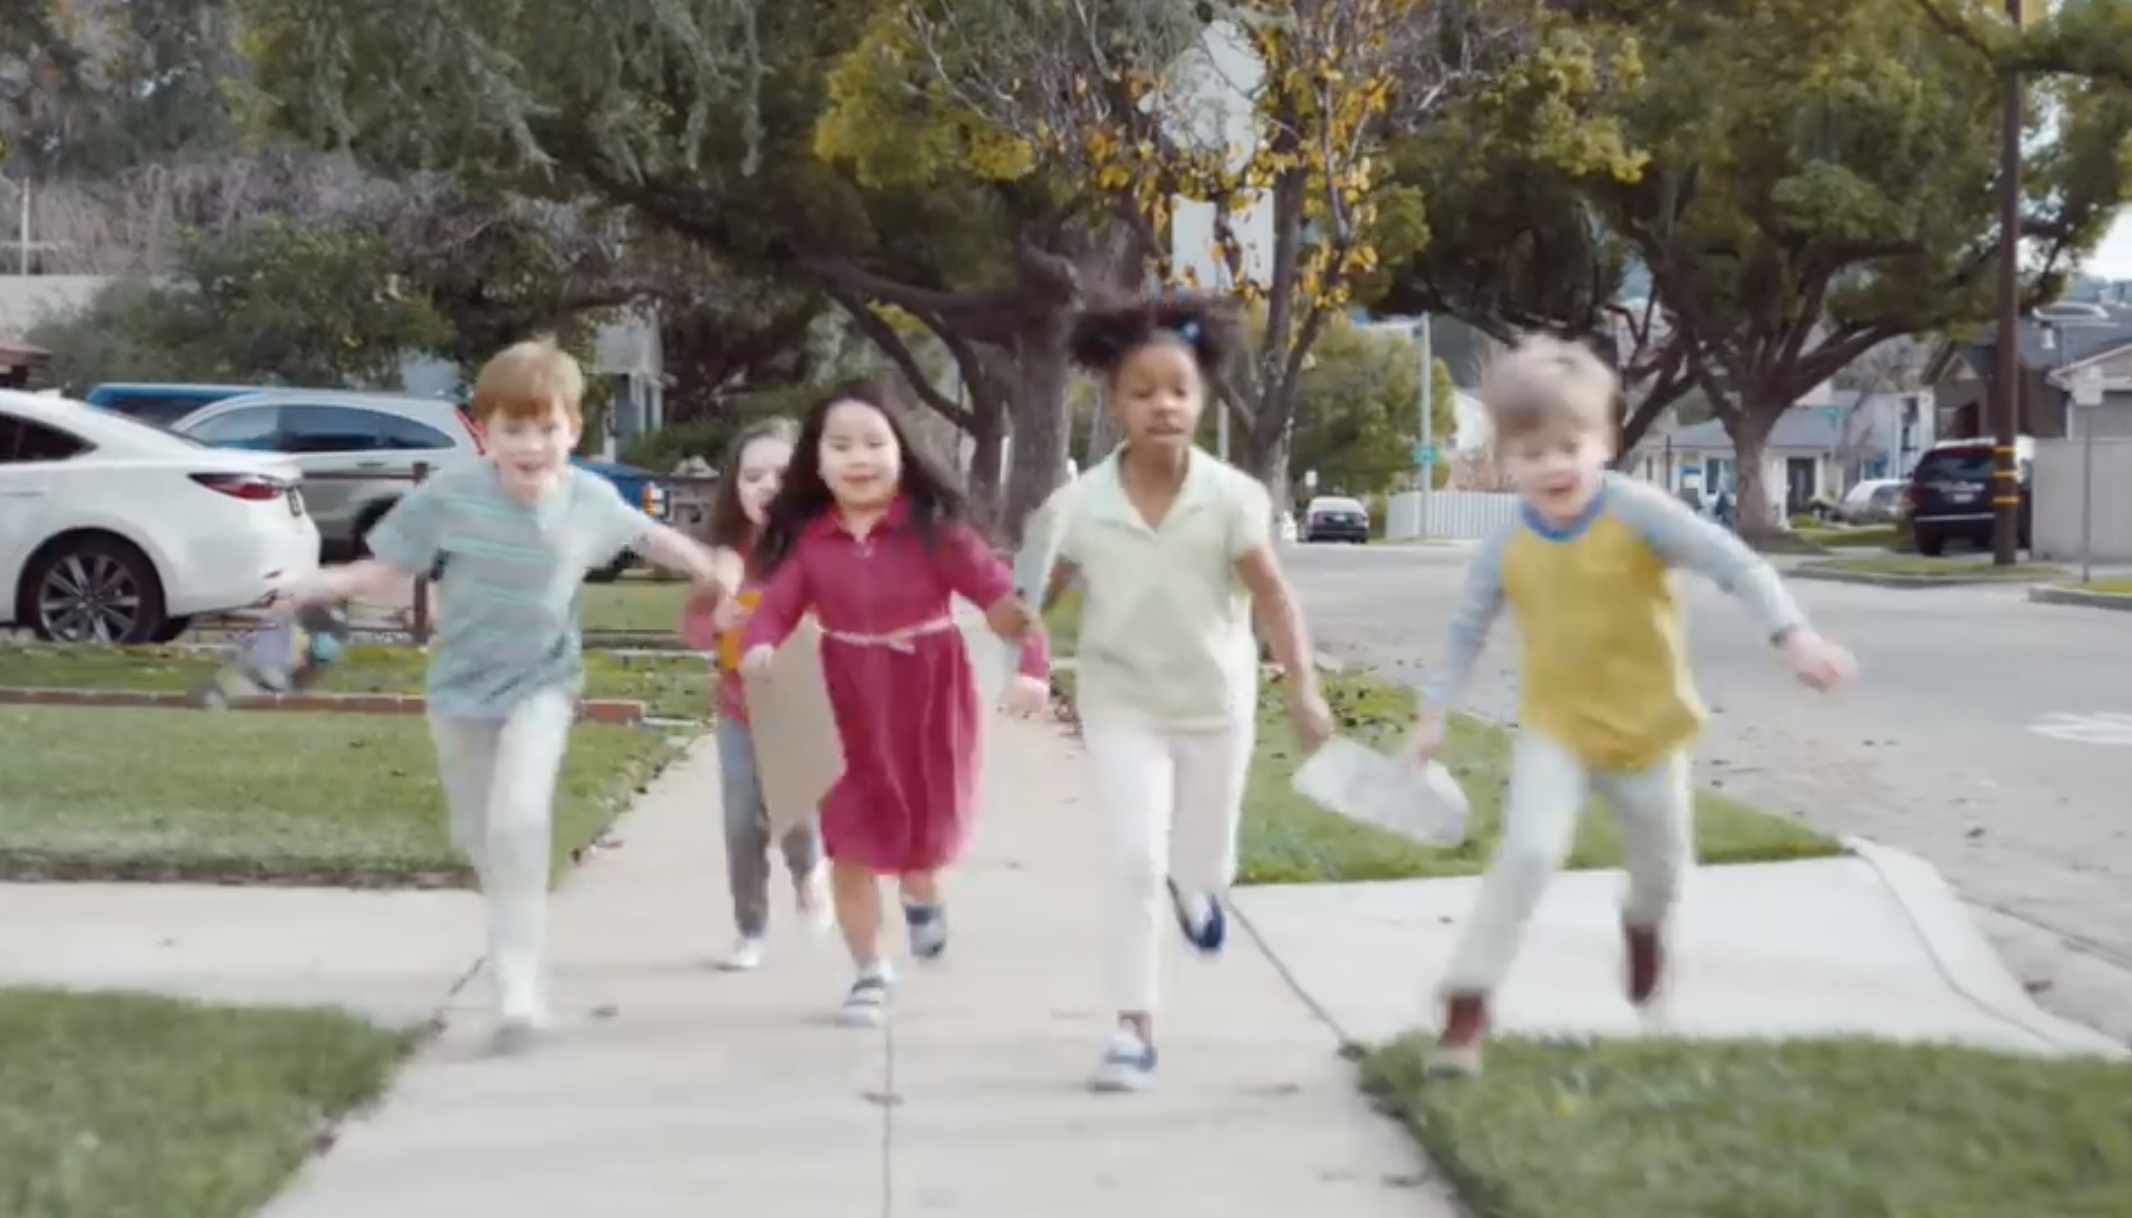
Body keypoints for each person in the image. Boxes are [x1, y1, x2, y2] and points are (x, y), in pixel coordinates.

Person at [1408, 336, 1854, 1077]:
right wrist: (1433, 712)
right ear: (1504, 461)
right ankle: (1467, 1005)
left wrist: (1794, 636)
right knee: (1526, 855)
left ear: (1604, 442)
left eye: (1567, 446)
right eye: (1530, 452)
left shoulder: (1641, 513)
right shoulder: (1506, 545)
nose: (1551, 466)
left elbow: (1734, 563)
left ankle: (1643, 931)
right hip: (1559, 732)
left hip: (1650, 733)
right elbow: (1465, 632)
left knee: (1664, 875)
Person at [284, 339, 725, 1054]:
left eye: (547, 428)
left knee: (519, 824)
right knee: (483, 840)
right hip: (459, 692)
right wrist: (321, 586)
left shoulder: (588, 499)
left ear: (572, 431)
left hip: (542, 685)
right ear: (483, 432)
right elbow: (384, 570)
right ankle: (510, 915)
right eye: (513, 430)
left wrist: (710, 570)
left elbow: (650, 538)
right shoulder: (449, 498)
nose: (531, 445)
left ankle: (518, 992)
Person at [1017, 293, 1334, 1093]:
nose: (1163, 405)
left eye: (1179, 390)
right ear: (1114, 402)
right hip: (1121, 706)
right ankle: (1132, 1028)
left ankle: (1199, 895)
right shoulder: (1078, 506)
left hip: (1215, 709)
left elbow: (1274, 598)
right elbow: (1034, 599)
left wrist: (1303, 686)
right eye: (1143, 391)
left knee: (1202, 861)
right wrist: (1025, 661)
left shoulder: (1232, 499)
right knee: (1132, 859)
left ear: (1201, 400)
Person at [738, 379, 1050, 1027]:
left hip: (929, 696)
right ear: (817, 462)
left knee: (924, 842)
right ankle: (870, 973)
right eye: (841, 445)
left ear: (902, 452)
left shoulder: (937, 534)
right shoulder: (811, 543)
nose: (859, 458)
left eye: (874, 443)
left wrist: (1032, 669)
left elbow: (1003, 602)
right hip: (843, 697)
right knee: (849, 842)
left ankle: (922, 891)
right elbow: (774, 608)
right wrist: (761, 646)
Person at [679, 417, 830, 972]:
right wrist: (715, 619)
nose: (767, 486)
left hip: (801, 707)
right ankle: (751, 927)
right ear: (735, 488)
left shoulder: (821, 549)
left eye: (782, 475)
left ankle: (809, 872)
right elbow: (692, 627)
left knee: (793, 813)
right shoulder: (725, 557)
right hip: (739, 709)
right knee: (743, 819)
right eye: (753, 476)